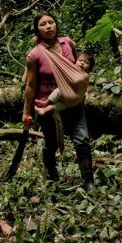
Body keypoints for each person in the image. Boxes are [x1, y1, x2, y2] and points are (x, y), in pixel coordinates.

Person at [22, 13, 96, 191]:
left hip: (72, 100)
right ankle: (52, 178)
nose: (48, 26)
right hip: (46, 103)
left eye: (51, 22)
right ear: (37, 30)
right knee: (51, 143)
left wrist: (80, 90)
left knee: (82, 139)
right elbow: (30, 86)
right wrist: (26, 112)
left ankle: (89, 182)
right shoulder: (34, 55)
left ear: (56, 25)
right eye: (43, 24)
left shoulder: (68, 43)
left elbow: (76, 70)